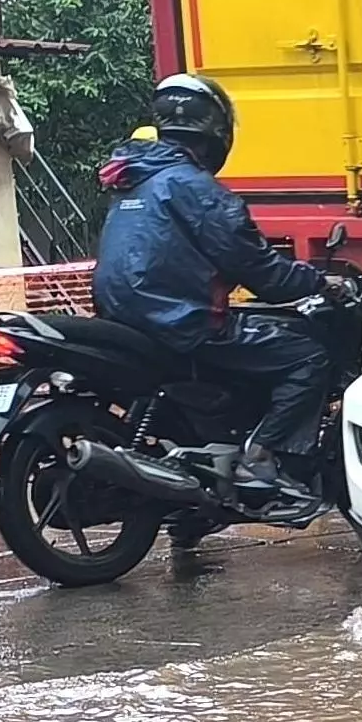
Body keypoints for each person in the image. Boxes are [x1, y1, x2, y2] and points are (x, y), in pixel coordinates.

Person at [93, 73, 331, 504]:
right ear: (215, 128)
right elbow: (256, 267)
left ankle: (193, 506)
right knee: (309, 357)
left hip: (127, 316)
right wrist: (317, 281)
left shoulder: (135, 178)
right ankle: (264, 459)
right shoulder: (195, 186)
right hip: (178, 318)